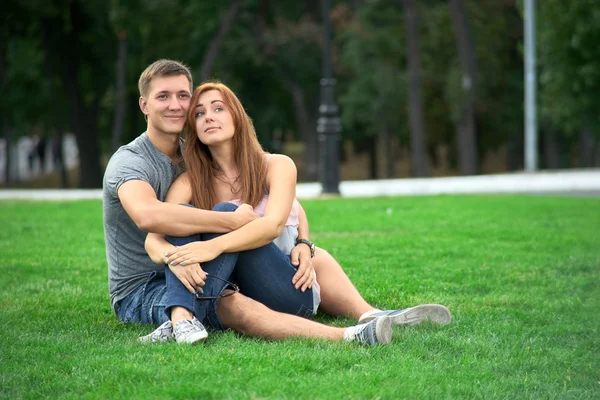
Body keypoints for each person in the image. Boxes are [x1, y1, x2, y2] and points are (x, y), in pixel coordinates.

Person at [103, 59, 450, 347]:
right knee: (219, 244)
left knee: (314, 254)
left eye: (184, 97)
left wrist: (302, 242)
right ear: (144, 104)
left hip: (269, 278)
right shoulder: (152, 166)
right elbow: (151, 221)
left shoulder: (265, 163)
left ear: (237, 116)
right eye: (165, 97)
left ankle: (370, 313)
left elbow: (284, 215)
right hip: (147, 283)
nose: (181, 107)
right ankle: (353, 335)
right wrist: (184, 253)